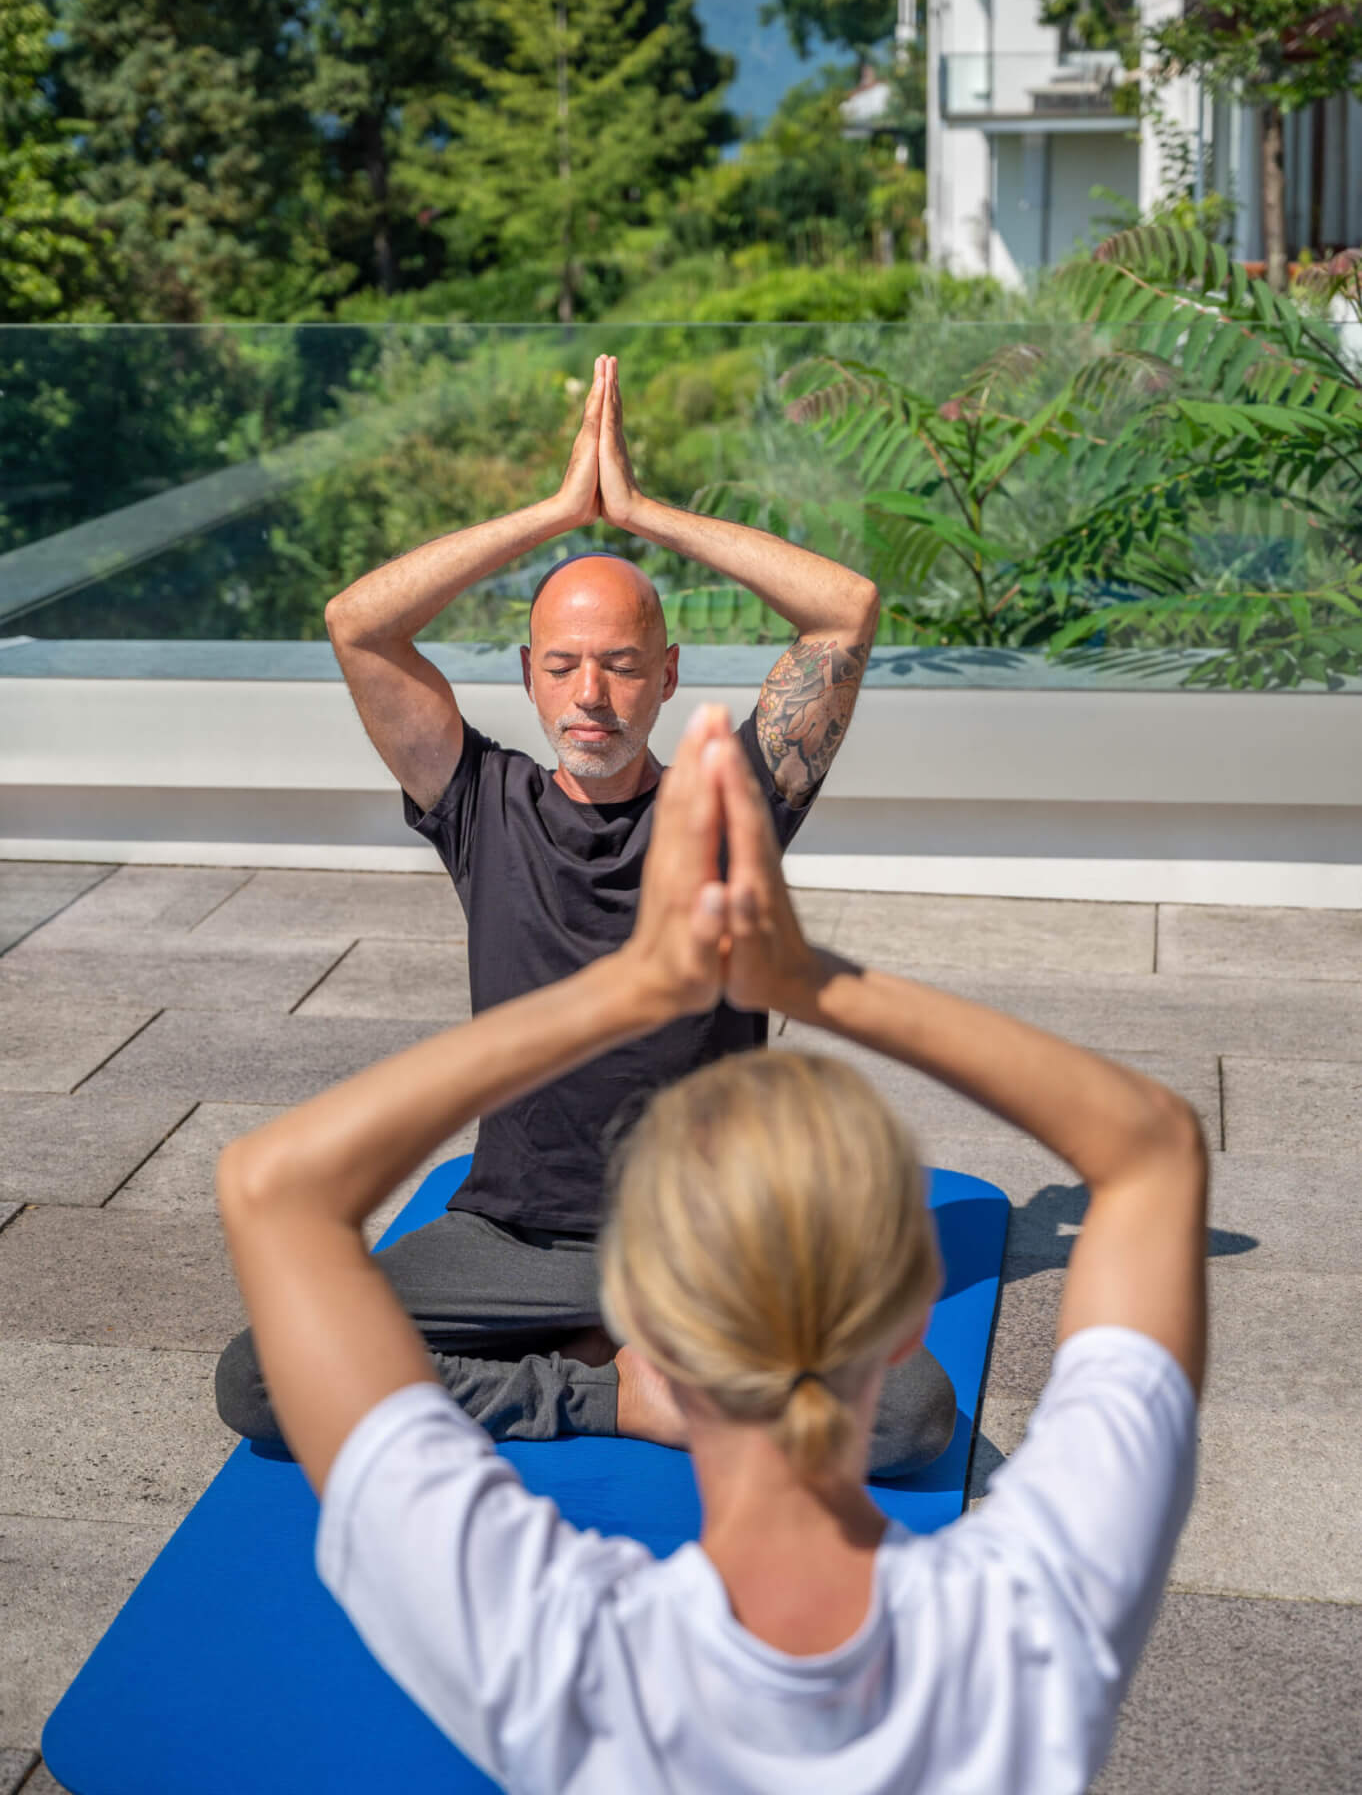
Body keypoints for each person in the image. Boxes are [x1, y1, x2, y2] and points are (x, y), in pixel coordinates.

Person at [217, 707, 1208, 1795]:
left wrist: (636, 983)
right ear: (918, 1302)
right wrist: (802, 975)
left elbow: (279, 1189)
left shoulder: (555, 1651)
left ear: (647, 1311)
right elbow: (1153, 1149)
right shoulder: (1040, 1618)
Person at [216, 355, 957, 1475]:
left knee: (905, 1416)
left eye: (619, 665)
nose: (590, 694)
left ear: (667, 675)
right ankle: (609, 1386)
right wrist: (557, 513)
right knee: (261, 1374)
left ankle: (620, 1341)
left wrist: (645, 514)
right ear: (528, 675)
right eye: (563, 666)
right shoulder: (481, 802)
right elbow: (357, 625)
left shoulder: (729, 802)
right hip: (514, 1239)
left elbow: (843, 611)